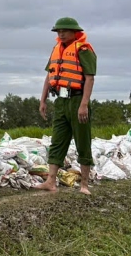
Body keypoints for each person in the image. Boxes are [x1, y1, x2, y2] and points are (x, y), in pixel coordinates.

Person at [34, 17, 96, 195]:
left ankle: (84, 184)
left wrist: (84, 104)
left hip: (77, 100)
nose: (60, 34)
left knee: (82, 140)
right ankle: (50, 181)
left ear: (74, 32)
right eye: (58, 31)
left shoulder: (84, 50)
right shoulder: (56, 50)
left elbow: (90, 78)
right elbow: (49, 76)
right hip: (60, 101)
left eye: (64, 31)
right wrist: (43, 100)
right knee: (57, 141)